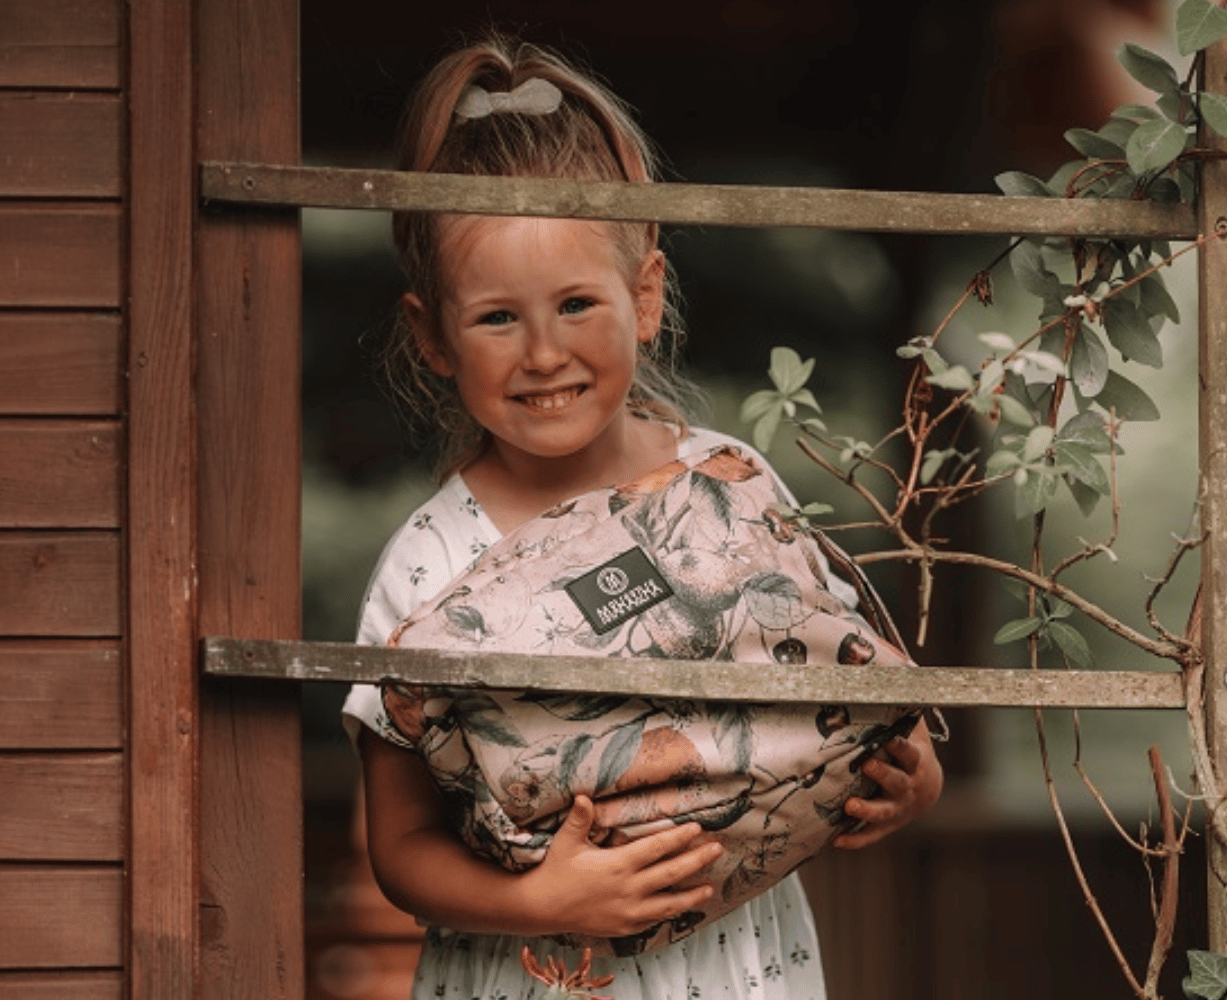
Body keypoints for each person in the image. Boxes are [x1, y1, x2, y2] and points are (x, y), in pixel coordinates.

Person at [341, 34, 943, 1000]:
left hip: (743, 965)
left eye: (578, 303)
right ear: (431, 336)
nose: (544, 352)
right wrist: (545, 903)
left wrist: (910, 778)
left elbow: (843, 675)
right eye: (498, 317)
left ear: (646, 295)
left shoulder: (729, 481)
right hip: (541, 973)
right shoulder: (433, 560)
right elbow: (400, 844)